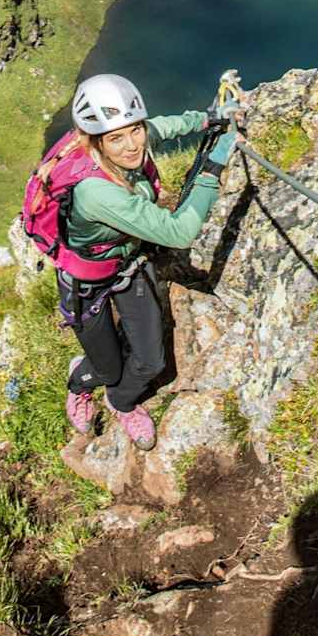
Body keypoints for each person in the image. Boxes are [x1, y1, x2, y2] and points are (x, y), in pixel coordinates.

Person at [54, 73, 239, 450]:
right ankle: (81, 380)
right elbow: (179, 233)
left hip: (129, 265)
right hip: (85, 282)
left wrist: (203, 120)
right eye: (117, 138)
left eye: (134, 130)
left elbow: (157, 129)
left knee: (151, 363)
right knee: (108, 368)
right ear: (97, 143)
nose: (132, 145)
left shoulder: (121, 144)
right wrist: (213, 167)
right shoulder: (96, 193)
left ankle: (121, 401)